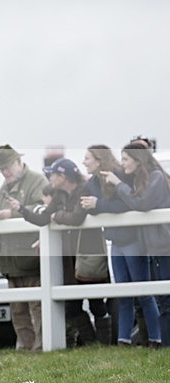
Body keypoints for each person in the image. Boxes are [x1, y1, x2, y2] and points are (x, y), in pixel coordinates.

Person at [9, 158, 108, 347]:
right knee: (72, 305)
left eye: (52, 174)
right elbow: (43, 218)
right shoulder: (59, 194)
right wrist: (21, 209)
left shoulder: (84, 190)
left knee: (96, 302)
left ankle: (104, 344)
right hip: (69, 257)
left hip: (88, 252)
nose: (49, 178)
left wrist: (58, 216)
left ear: (63, 176)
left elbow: (77, 218)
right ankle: (93, 343)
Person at [80, 145, 160, 346]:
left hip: (133, 241)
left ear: (99, 160)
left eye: (87, 158)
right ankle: (123, 341)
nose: (84, 162)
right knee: (122, 294)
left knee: (143, 293)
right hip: (115, 242)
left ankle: (156, 338)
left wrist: (98, 205)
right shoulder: (92, 182)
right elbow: (92, 207)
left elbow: (126, 204)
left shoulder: (119, 176)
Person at [102, 142, 170, 347]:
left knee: (166, 300)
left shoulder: (156, 178)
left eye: (125, 159)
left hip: (164, 246)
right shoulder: (142, 180)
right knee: (162, 299)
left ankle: (165, 346)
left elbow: (142, 204)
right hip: (156, 247)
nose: (122, 165)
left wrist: (118, 184)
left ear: (138, 160)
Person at [0, 144, 48, 351]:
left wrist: (11, 215)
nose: (5, 172)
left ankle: (42, 348)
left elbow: (42, 209)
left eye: (8, 167)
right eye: (2, 169)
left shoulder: (37, 181)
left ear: (20, 162)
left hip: (30, 258)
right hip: (11, 260)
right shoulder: (4, 187)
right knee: (18, 311)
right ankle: (26, 348)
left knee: (37, 308)